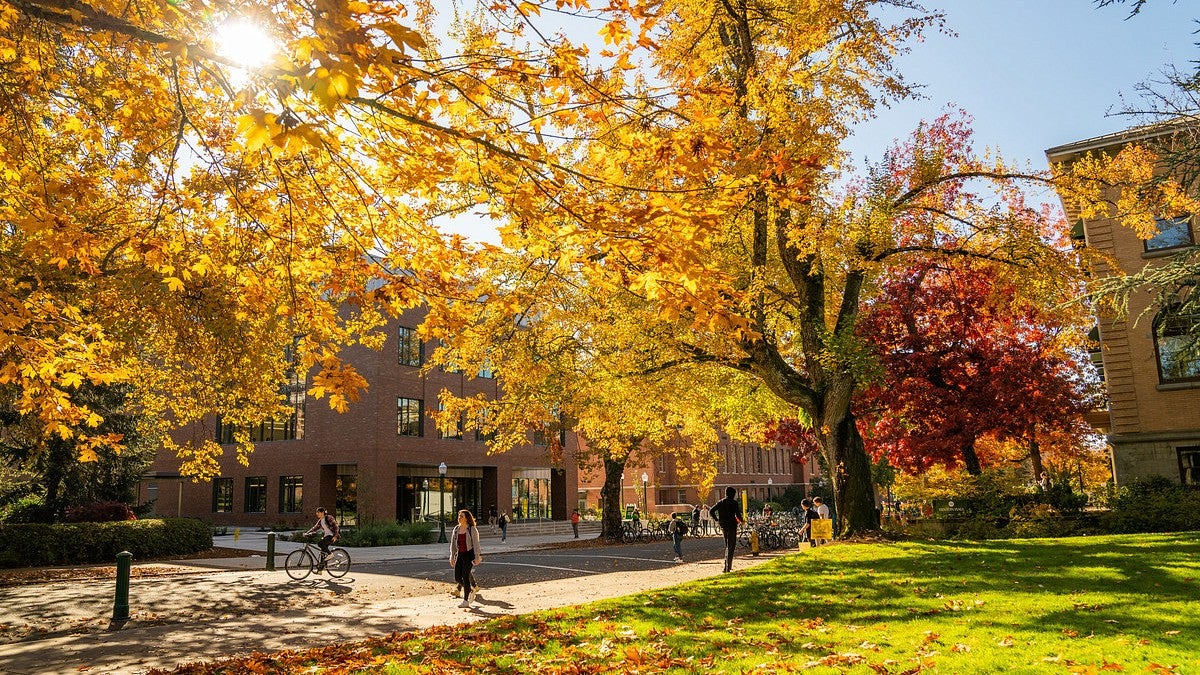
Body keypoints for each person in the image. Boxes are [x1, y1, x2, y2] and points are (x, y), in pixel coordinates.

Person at [448, 509, 483, 608]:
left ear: (467, 518)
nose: (459, 518)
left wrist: (477, 557)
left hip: (469, 554)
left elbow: (476, 544)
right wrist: (452, 556)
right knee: (457, 577)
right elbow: (453, 545)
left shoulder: (471, 529)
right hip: (460, 554)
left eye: (461, 516)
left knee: (465, 576)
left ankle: (466, 601)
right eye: (459, 516)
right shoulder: (456, 529)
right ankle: (470, 590)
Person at [710, 487, 743, 573]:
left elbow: (711, 511)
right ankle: (727, 566)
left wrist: (717, 520)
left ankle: (727, 566)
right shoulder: (734, 503)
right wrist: (742, 521)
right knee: (731, 546)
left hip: (723, 525)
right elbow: (738, 514)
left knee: (727, 545)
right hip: (732, 525)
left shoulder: (721, 502)